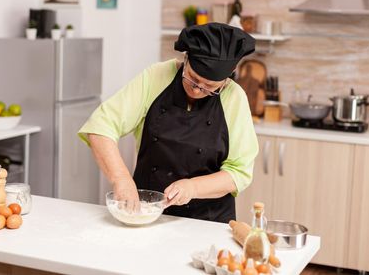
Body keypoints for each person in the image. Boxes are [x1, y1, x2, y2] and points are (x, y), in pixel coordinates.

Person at [78, 22, 259, 223]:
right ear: (186, 58)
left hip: (208, 222)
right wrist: (121, 178)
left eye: (210, 87)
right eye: (192, 79)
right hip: (147, 213)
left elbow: (239, 173)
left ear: (227, 78)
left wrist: (193, 187)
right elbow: (101, 126)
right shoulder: (156, 77)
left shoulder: (235, 98)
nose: (198, 90)